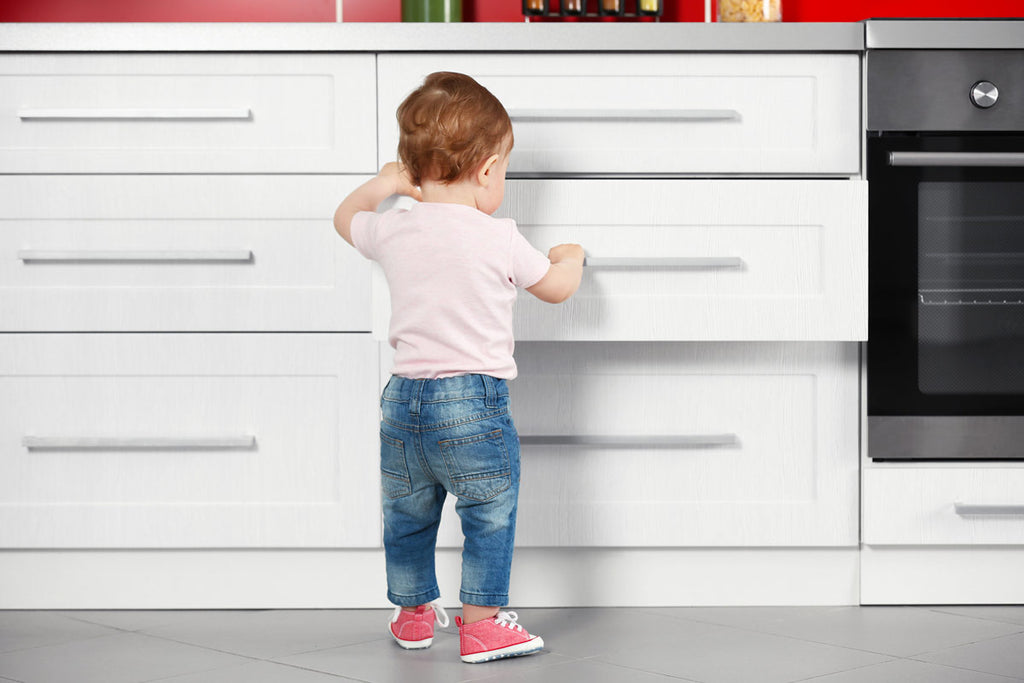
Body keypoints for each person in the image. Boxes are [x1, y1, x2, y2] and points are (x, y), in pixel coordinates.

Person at [332, 71, 584, 664]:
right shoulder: (498, 236)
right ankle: (482, 625)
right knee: (487, 513)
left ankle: (415, 615)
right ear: (489, 170)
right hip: (472, 403)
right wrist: (569, 256)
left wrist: (388, 183)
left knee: (407, 513)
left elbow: (345, 217)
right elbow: (555, 289)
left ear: (414, 168)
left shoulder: (393, 227)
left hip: (401, 401)